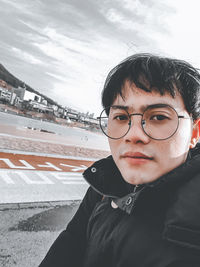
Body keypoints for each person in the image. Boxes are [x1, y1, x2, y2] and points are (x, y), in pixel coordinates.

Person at [39, 54, 200, 267]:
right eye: (121, 117)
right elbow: (70, 243)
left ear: (195, 132)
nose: (133, 135)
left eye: (159, 117)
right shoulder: (106, 185)